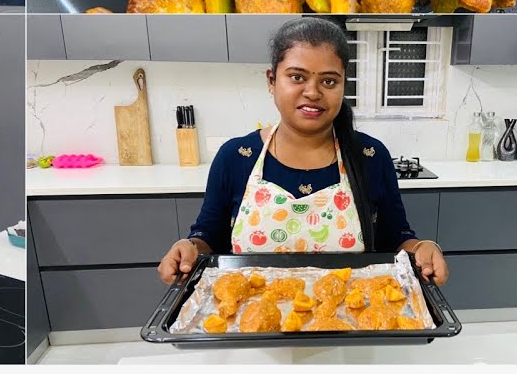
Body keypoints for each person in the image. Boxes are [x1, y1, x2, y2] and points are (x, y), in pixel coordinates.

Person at [157, 17, 449, 286]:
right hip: (252, 324)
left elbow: (396, 237)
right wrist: (189, 248)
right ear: (272, 80)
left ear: (343, 85)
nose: (313, 92)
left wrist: (424, 248)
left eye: (329, 81)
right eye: (297, 77)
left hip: (352, 324)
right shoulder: (236, 156)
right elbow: (207, 235)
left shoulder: (369, 155)